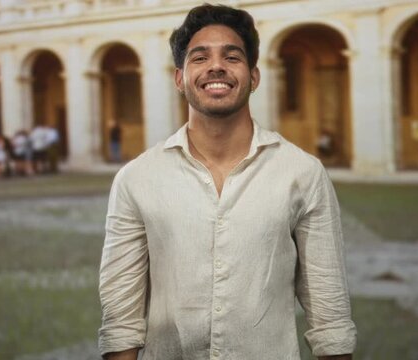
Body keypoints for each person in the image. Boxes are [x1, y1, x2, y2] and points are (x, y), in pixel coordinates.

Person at [99, 4, 356, 360]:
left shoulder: (303, 173)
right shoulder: (137, 179)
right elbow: (120, 325)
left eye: (231, 56)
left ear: (254, 77)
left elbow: (330, 319)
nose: (215, 66)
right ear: (180, 78)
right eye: (199, 57)